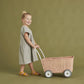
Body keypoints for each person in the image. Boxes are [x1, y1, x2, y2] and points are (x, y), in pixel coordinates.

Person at [19, 10, 41, 76]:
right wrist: (33, 45)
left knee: (29, 59)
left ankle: (32, 71)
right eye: (27, 19)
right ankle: (21, 71)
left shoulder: (27, 28)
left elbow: (31, 38)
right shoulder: (24, 27)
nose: (29, 20)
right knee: (25, 58)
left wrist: (35, 43)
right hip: (25, 47)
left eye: (30, 19)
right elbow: (26, 37)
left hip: (28, 46)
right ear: (23, 20)